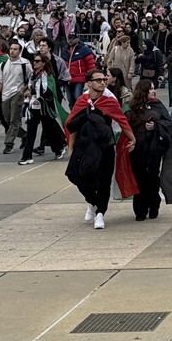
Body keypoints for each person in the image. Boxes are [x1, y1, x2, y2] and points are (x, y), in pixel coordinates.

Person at [65, 68, 137, 230]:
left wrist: (132, 138)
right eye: (98, 80)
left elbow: (121, 120)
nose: (103, 82)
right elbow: (72, 126)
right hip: (83, 146)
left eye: (104, 79)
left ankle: (100, 214)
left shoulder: (109, 101)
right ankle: (92, 201)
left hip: (105, 146)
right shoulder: (82, 101)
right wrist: (71, 147)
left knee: (104, 180)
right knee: (74, 175)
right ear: (89, 83)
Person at [126, 80, 172, 220]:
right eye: (150, 89)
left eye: (154, 88)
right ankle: (140, 210)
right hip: (137, 149)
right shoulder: (131, 107)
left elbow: (169, 125)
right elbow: (126, 126)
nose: (154, 91)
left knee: (152, 178)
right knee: (139, 178)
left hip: (153, 149)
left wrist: (156, 127)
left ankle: (153, 205)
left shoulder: (157, 105)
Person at [18, 52, 67, 164]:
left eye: (37, 61)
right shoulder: (33, 75)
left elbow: (49, 91)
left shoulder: (47, 75)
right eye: (34, 61)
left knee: (49, 130)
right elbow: (30, 88)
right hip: (33, 107)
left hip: (44, 108)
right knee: (31, 132)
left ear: (44, 63)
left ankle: (58, 148)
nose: (34, 63)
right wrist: (28, 97)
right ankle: (27, 156)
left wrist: (37, 98)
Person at [0, 40, 32, 155]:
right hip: (5, 95)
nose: (12, 51)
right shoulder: (3, 64)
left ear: (20, 51)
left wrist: (26, 90)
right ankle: (24, 135)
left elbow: (31, 78)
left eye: (15, 49)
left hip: (18, 94)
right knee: (8, 119)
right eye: (11, 49)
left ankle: (8, 144)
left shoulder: (25, 63)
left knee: (14, 120)